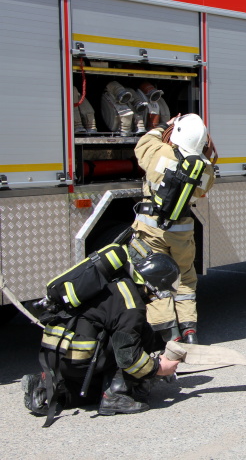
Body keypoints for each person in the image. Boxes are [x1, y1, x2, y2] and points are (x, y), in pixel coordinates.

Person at [22, 247, 182, 425]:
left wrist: (160, 344)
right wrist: (158, 367)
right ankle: (115, 397)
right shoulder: (131, 305)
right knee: (130, 348)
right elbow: (129, 358)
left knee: (94, 389)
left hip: (56, 354)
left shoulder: (113, 284)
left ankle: (46, 387)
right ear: (154, 284)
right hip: (79, 358)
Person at [133, 113, 216, 344]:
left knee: (156, 280)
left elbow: (143, 144)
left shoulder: (160, 152)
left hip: (152, 230)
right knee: (186, 280)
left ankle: (169, 336)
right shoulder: (206, 170)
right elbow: (204, 186)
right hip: (183, 230)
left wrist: (163, 126)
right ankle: (190, 331)